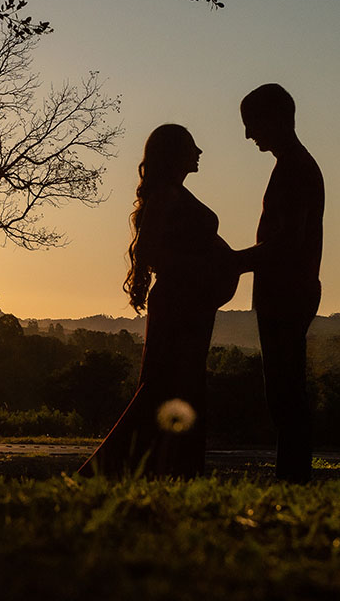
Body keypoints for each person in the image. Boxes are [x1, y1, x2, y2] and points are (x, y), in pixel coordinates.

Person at [78, 124, 239, 478]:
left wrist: (238, 262)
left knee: (184, 383)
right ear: (175, 154)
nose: (199, 153)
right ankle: (114, 469)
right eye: (192, 146)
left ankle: (175, 469)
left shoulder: (176, 194)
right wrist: (202, 271)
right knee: (165, 384)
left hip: (192, 303)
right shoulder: (167, 196)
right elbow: (152, 250)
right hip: (180, 303)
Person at [236, 84, 324, 483]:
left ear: (275, 119)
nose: (249, 134)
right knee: (283, 389)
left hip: (287, 291)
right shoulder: (293, 164)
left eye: (252, 124)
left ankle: (293, 477)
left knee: (285, 392)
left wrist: (235, 261)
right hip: (288, 289)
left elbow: (286, 241)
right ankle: (291, 474)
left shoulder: (294, 168)